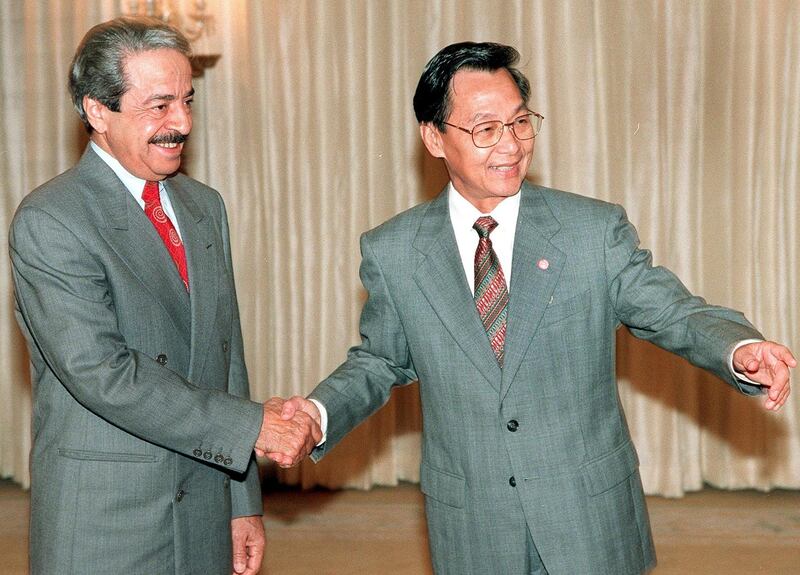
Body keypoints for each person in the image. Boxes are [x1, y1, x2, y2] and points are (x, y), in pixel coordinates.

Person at [279, 42, 795, 574]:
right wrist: (318, 415)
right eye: (485, 129)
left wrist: (739, 347)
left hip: (586, 515)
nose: (510, 145)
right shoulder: (394, 251)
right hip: (473, 522)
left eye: (520, 122)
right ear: (434, 137)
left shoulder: (589, 231)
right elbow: (380, 360)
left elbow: (672, 311)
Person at [8, 17, 320, 575]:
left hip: (203, 508)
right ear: (97, 111)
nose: (182, 122)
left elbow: (227, 357)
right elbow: (104, 373)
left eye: (187, 100)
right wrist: (253, 426)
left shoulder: (204, 206)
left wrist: (242, 504)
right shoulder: (51, 219)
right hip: (107, 521)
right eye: (159, 105)